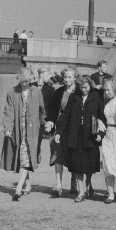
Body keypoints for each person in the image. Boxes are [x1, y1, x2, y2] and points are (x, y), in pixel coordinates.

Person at [55, 76, 105, 203]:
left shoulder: (96, 97)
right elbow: (66, 116)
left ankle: (88, 183)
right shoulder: (74, 97)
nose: (83, 90)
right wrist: (59, 132)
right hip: (75, 135)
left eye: (86, 87)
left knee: (89, 163)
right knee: (77, 164)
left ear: (90, 86)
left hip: (91, 135)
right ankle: (81, 191)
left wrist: (100, 133)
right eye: (81, 87)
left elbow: (101, 116)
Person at [0, 68, 45, 201]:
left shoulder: (36, 92)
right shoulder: (12, 92)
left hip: (32, 130)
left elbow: (42, 109)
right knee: (22, 156)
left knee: (26, 156)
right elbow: (8, 111)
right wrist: (8, 127)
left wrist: (45, 123)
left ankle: (18, 188)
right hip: (18, 130)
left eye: (27, 81)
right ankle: (28, 184)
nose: (24, 83)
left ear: (31, 80)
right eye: (22, 81)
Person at [45, 66, 79, 197]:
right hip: (60, 125)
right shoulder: (59, 92)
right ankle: (58, 184)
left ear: (75, 78)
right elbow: (52, 109)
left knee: (74, 153)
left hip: (74, 125)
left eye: (69, 77)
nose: (66, 79)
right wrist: (51, 121)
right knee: (57, 153)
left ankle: (74, 181)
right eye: (65, 77)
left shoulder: (79, 91)